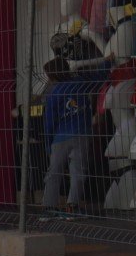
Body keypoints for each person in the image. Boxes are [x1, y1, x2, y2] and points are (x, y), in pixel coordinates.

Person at [40, 56, 96, 214]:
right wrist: (105, 61)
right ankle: (73, 205)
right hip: (81, 135)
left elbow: (50, 122)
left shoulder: (54, 92)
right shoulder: (81, 83)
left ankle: (49, 205)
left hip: (59, 138)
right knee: (78, 172)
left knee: (54, 172)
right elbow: (100, 76)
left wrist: (48, 143)